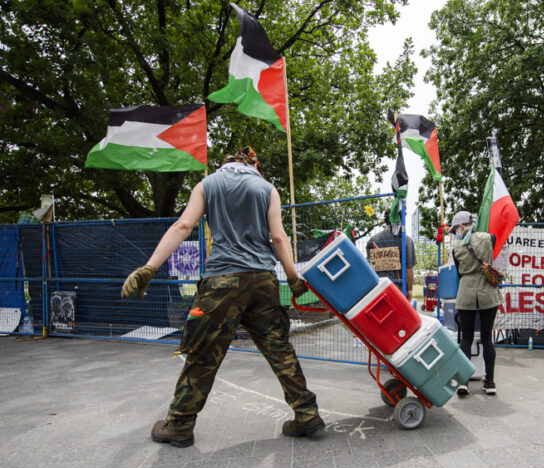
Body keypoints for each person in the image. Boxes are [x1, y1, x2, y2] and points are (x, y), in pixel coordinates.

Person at [121, 147, 324, 448]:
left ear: (225, 164)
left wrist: (150, 268)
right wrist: (293, 279)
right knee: (279, 349)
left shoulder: (208, 184)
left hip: (222, 282)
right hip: (262, 282)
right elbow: (279, 237)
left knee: (203, 353)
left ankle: (179, 425)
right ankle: (306, 414)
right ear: (255, 165)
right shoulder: (268, 189)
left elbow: (183, 226)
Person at [449, 211, 501, 396]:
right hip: (488, 291)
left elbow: (459, 271)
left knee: (466, 338)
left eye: (455, 228)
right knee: (487, 338)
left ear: (461, 226)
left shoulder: (456, 247)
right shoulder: (489, 238)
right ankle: (490, 382)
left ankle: (463, 382)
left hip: (467, 291)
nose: (455, 232)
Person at [365, 210, 416, 300]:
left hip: (377, 287)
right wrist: (410, 290)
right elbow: (409, 268)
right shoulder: (406, 240)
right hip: (398, 288)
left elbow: (369, 266)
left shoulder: (373, 240)